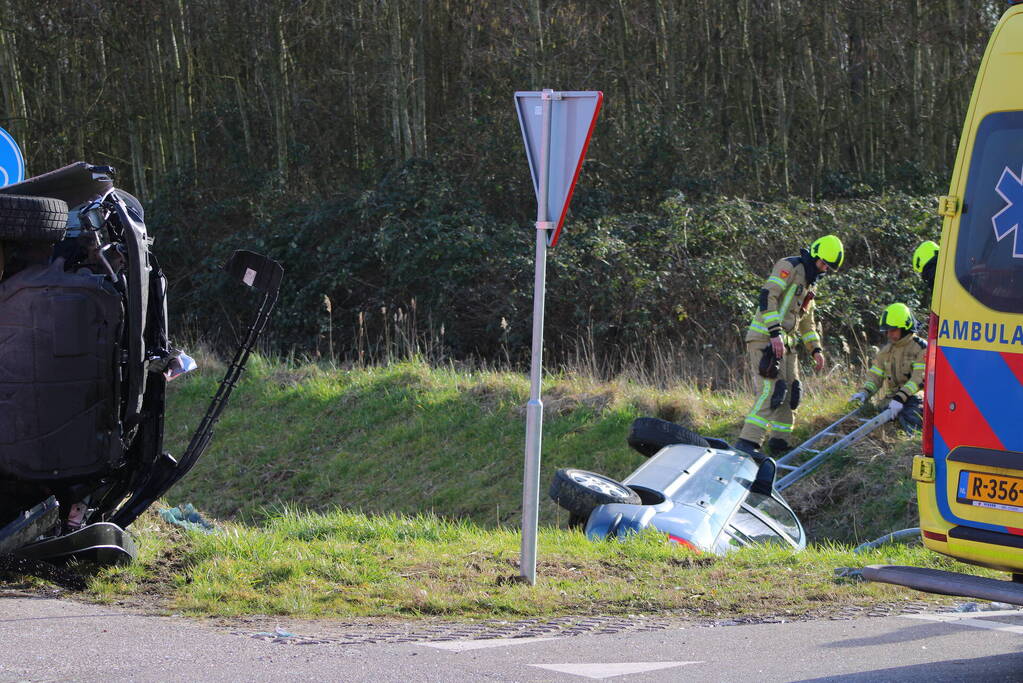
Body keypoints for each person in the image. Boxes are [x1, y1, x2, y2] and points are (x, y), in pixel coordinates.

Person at [735, 235, 844, 458]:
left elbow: (807, 321)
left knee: (791, 392)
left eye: (828, 267)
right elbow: (768, 296)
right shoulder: (790, 266)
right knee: (770, 390)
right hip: (765, 338)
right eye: (823, 263)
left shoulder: (811, 282)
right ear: (814, 255)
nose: (824, 269)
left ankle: (779, 442)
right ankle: (747, 443)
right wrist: (774, 332)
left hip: (786, 344)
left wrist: (816, 349)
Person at [849, 302, 926, 431]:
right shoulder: (886, 351)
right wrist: (864, 393)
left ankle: (910, 445)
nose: (889, 334)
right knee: (870, 414)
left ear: (905, 327)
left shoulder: (922, 349)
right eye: (887, 331)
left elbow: (919, 379)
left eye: (893, 330)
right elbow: (875, 377)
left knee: (912, 414)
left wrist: (900, 398)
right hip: (893, 399)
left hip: (917, 398)